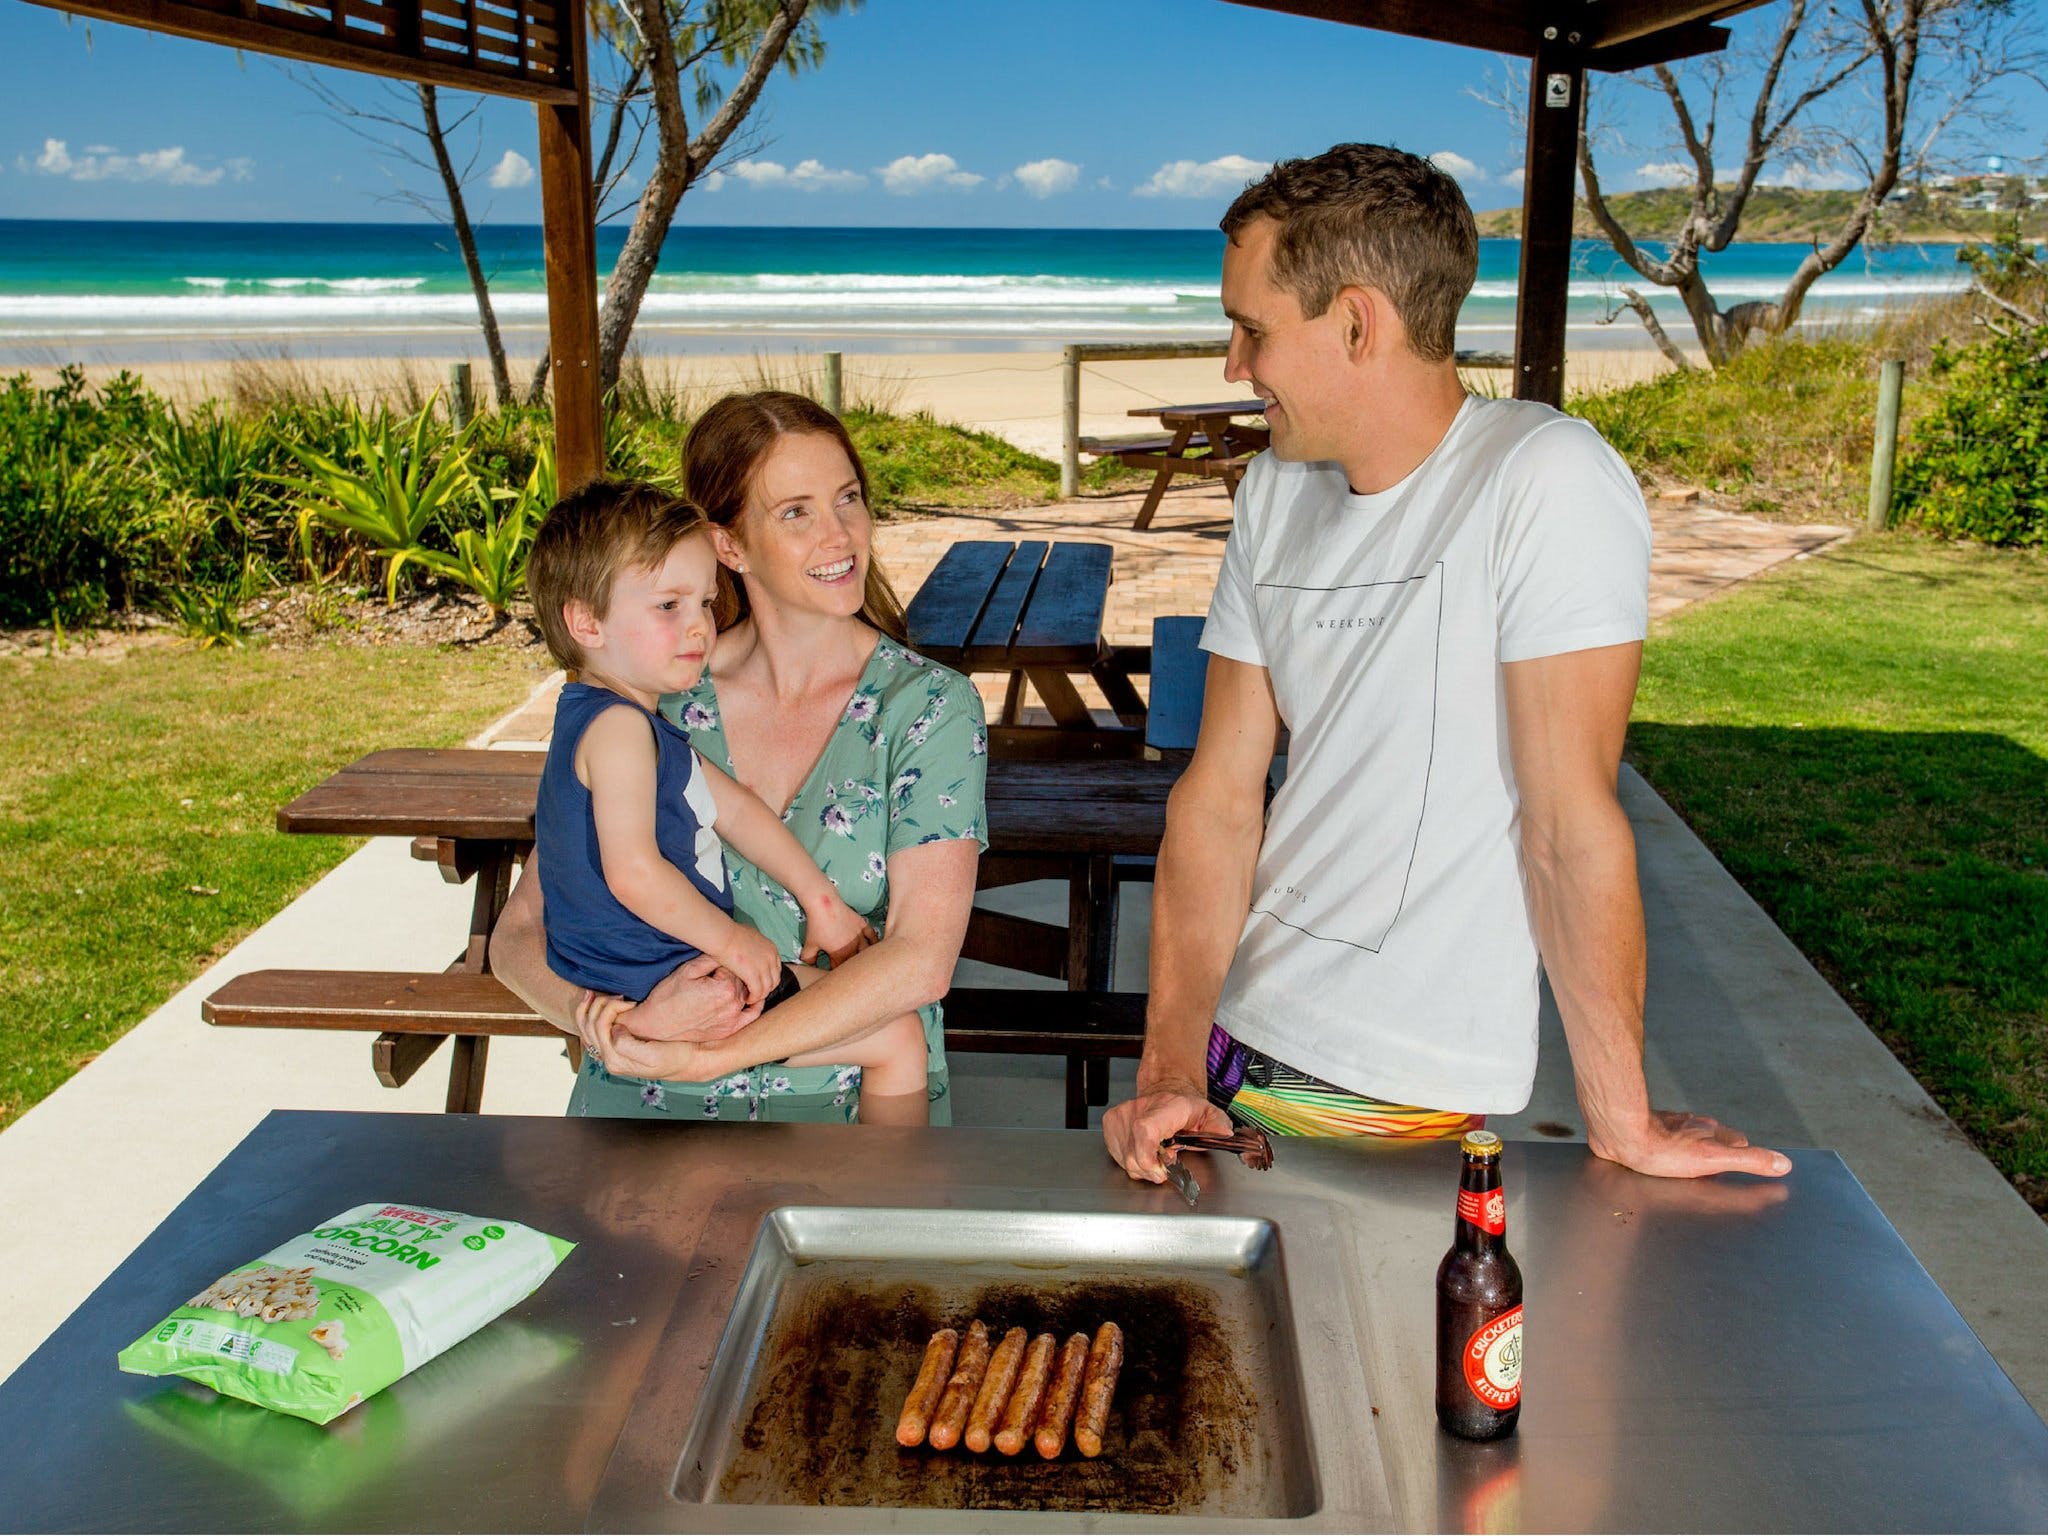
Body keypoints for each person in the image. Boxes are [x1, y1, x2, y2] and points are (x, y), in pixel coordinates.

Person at [1101, 143, 1791, 1184]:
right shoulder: (1273, 495)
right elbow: (1218, 798)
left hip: (1391, 1093)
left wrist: (1622, 1120)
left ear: (1354, 321)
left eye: (1249, 330)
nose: (1232, 366)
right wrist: (1167, 1067)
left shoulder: (1540, 477)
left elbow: (1567, 821)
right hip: (1235, 1051)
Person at [492, 391, 989, 1122]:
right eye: (796, 512)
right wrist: (599, 1021)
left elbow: (921, 961)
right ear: (728, 546)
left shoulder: (929, 708)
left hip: (850, 1113)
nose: (840, 533)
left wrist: (709, 1052)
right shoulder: (654, 700)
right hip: (643, 1104)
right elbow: (519, 933)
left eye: (848, 499)